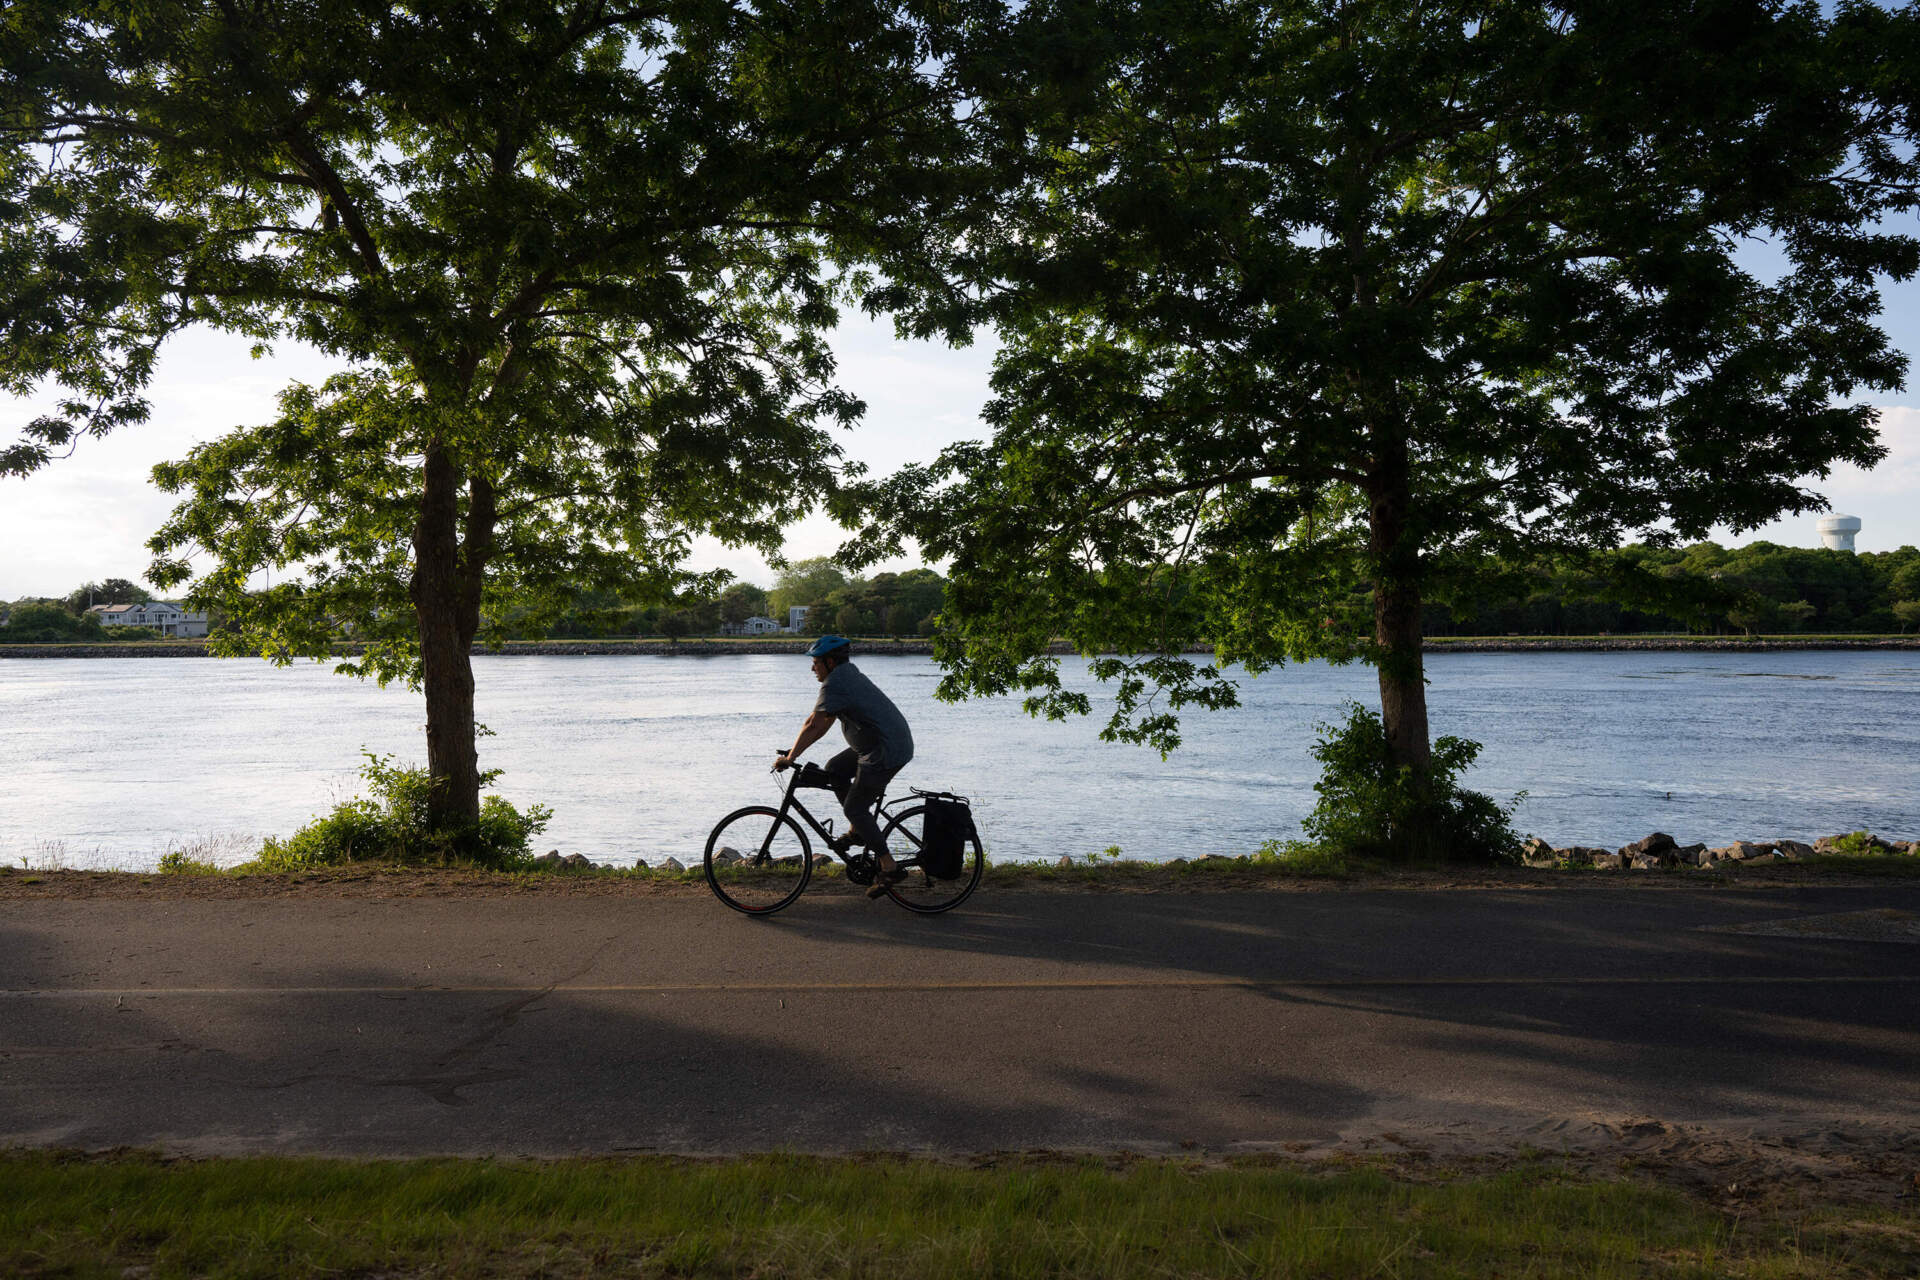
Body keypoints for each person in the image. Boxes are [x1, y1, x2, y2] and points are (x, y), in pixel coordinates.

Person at [774, 634, 915, 898]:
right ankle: (858, 830)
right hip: (875, 744)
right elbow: (820, 721)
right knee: (835, 769)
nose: (812, 667)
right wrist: (794, 751)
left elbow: (814, 725)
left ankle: (889, 866)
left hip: (885, 749)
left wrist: (790, 758)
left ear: (829, 661)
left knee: (855, 807)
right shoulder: (842, 676)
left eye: (816, 662)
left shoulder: (836, 682)